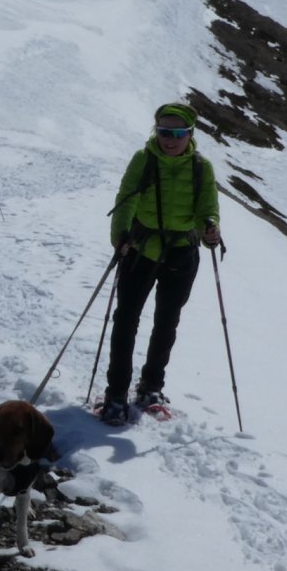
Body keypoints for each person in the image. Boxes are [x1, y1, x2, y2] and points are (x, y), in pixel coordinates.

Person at [101, 102, 220, 425]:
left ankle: (151, 387)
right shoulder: (144, 159)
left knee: (167, 323)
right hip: (140, 248)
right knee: (126, 321)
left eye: (177, 132)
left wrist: (210, 227)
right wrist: (121, 236)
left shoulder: (200, 167)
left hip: (182, 251)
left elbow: (207, 207)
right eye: (164, 131)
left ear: (190, 134)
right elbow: (126, 200)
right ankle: (116, 394)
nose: (170, 139)